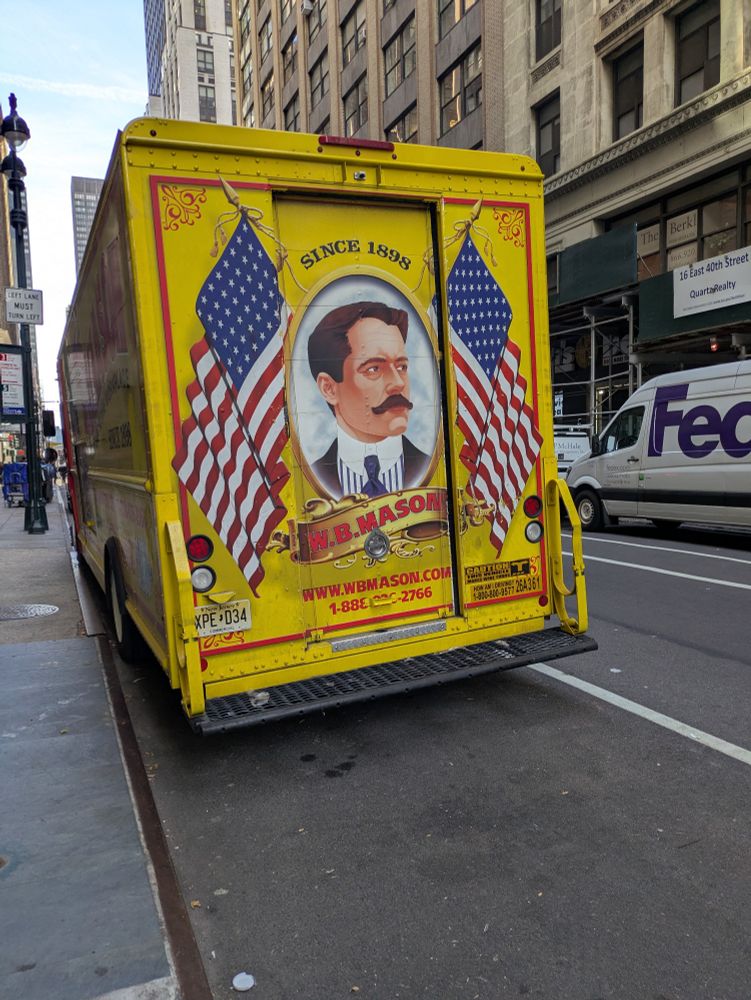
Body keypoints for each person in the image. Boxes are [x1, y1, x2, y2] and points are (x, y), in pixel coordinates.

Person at [307, 301, 430, 499]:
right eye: (373, 369)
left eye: (401, 367)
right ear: (329, 388)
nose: (398, 383)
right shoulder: (314, 477)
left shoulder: (427, 466)